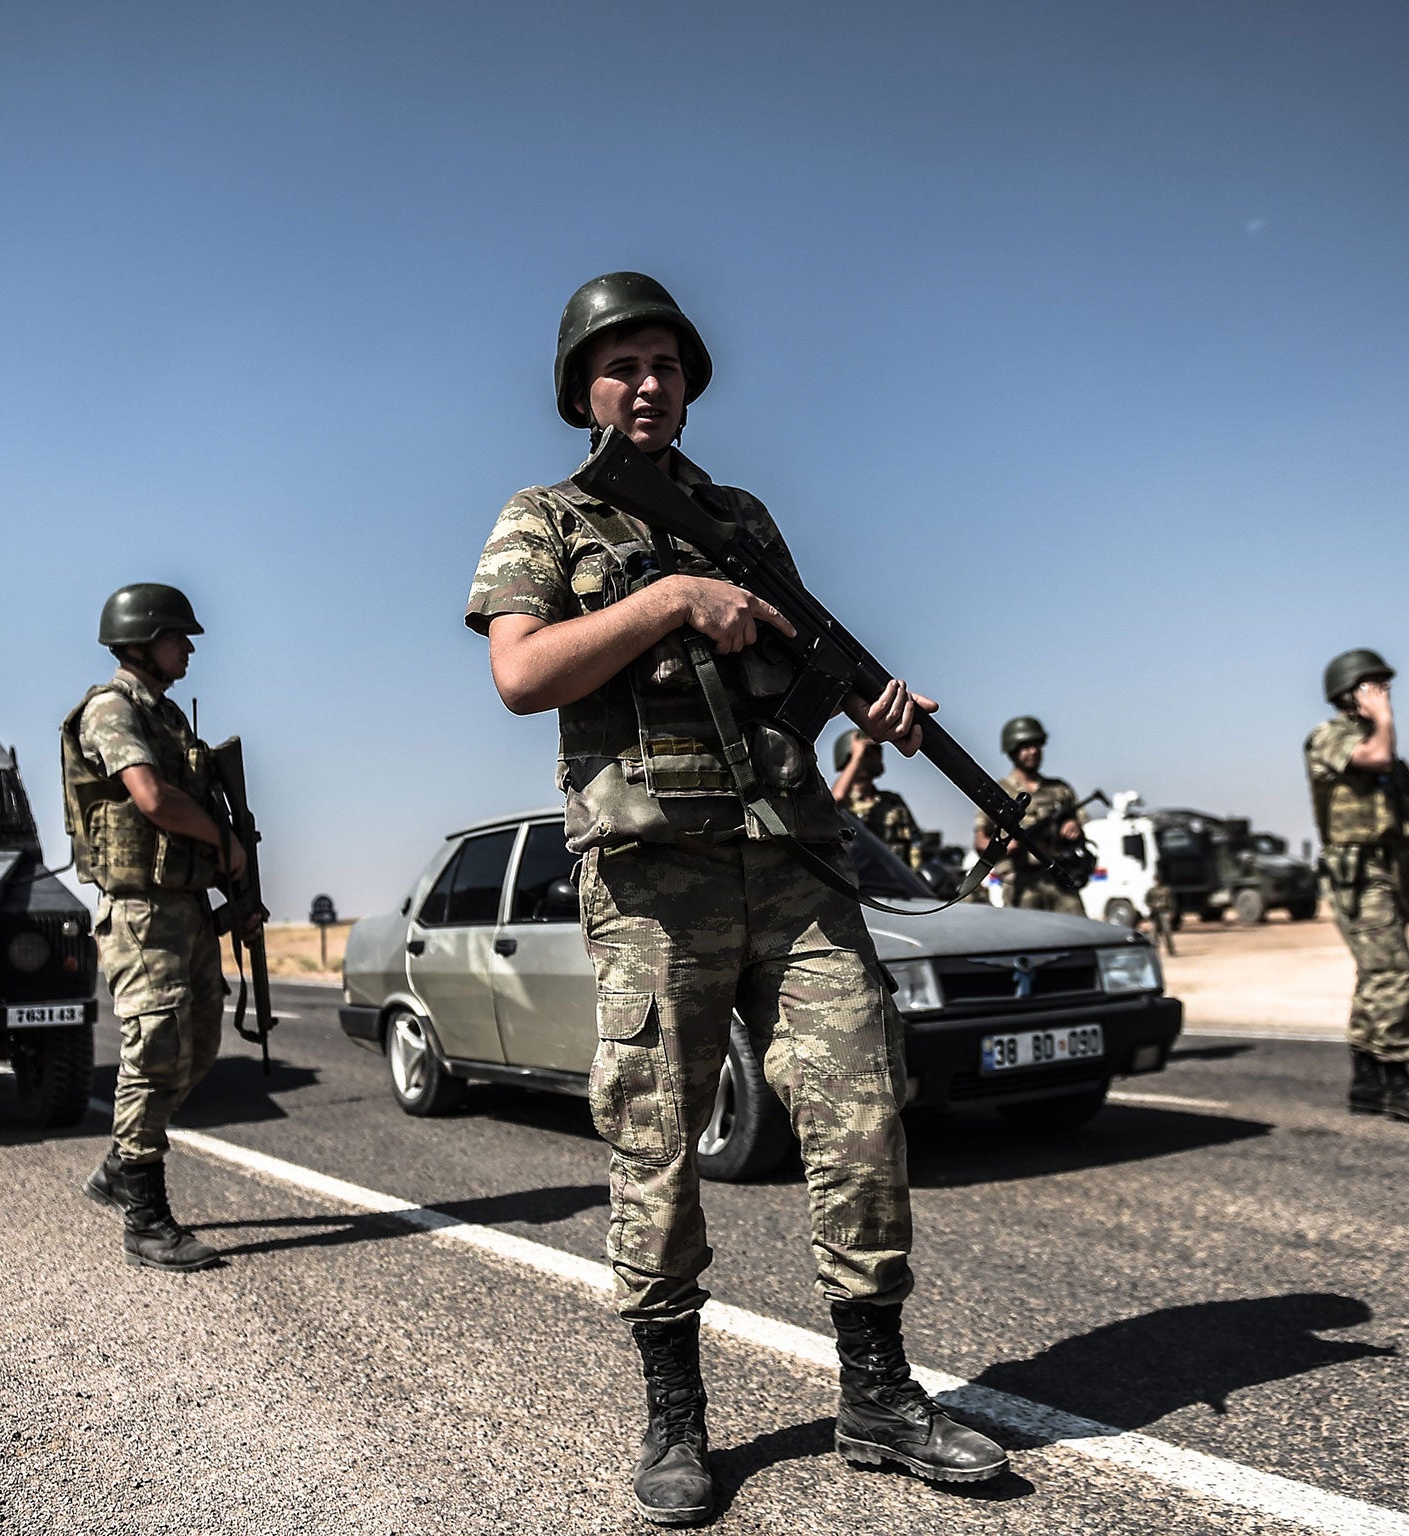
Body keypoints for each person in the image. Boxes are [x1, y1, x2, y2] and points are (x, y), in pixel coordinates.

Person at [468, 273, 1008, 1527]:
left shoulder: (739, 515)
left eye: (662, 361)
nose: (644, 383)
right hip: (657, 881)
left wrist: (859, 704)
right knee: (655, 1140)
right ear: (580, 390)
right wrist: (662, 599)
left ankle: (875, 1393)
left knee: (859, 1117)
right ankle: (674, 1418)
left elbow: (787, 667)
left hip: (797, 864)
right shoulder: (545, 516)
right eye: (618, 366)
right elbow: (520, 673)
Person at [61, 583, 257, 1270]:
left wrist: (236, 883)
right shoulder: (111, 710)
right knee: (155, 1050)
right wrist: (223, 840)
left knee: (198, 1048)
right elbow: (149, 797)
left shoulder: (166, 716)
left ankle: (120, 1164)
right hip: (141, 911)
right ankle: (145, 1218)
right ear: (143, 641)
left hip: (184, 906)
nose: (190, 647)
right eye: (180, 636)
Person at [1305, 649, 1409, 1122]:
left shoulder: (1383, 746)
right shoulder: (1329, 738)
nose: (1383, 695)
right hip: (1358, 876)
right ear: (1346, 693)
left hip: (1389, 869)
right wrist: (1384, 718)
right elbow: (1377, 755)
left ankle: (1366, 1082)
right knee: (1392, 974)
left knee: (1375, 974)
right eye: (1372, 687)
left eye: (1385, 687)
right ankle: (1398, 1079)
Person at [968, 716, 1086, 914]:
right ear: (1012, 750)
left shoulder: (1059, 789)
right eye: (1025, 746)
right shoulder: (998, 792)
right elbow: (980, 839)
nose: (1033, 751)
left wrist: (1073, 826)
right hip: (1021, 884)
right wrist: (1004, 847)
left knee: (1080, 936)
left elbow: (1080, 822)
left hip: (1059, 877)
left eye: (1036, 745)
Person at [830, 728, 925, 871]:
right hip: (862, 887)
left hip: (900, 886)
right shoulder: (845, 805)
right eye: (870, 752)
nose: (878, 757)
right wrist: (857, 756)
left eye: (878, 751)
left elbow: (916, 844)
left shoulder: (892, 801)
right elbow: (836, 800)